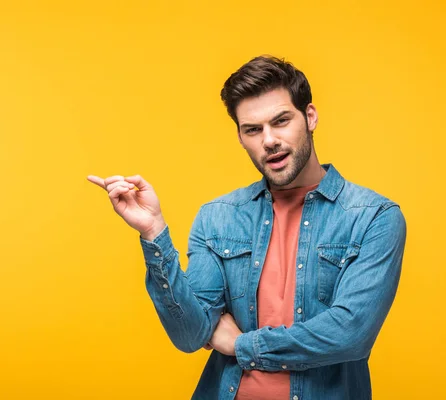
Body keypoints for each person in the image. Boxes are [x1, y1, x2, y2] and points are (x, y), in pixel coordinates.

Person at [87, 55, 407, 400]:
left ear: (309, 117)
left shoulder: (373, 216)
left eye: (281, 121)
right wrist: (153, 232)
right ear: (241, 137)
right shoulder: (218, 216)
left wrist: (241, 344)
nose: (268, 140)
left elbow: (350, 333)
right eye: (253, 130)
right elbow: (191, 334)